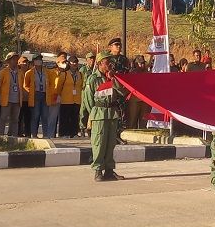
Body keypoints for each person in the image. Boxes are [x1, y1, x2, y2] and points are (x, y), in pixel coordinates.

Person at [80, 52, 127, 181]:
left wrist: (113, 79)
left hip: (112, 113)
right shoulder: (93, 79)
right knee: (99, 143)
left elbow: (122, 92)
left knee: (111, 143)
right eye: (107, 62)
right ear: (100, 63)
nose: (110, 64)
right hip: (99, 113)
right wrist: (91, 115)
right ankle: (98, 170)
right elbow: (88, 100)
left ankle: (109, 170)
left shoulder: (112, 77)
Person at [23, 54, 52, 138]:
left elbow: (51, 83)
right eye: (37, 59)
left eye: (40, 59)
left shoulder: (47, 71)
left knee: (45, 116)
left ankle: (46, 135)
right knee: (35, 116)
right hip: (35, 95)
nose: (39, 61)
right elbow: (25, 85)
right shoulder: (29, 73)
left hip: (45, 95)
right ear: (33, 61)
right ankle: (34, 134)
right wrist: (31, 92)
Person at [0, 52, 24, 136]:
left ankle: (13, 136)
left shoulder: (20, 73)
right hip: (6, 99)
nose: (15, 61)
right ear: (9, 61)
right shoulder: (3, 72)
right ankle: (0, 136)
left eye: (16, 59)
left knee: (15, 119)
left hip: (17, 100)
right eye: (13, 59)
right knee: (3, 118)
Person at [57, 55, 83, 138]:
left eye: (76, 62)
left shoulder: (80, 74)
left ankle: (74, 133)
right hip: (66, 99)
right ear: (69, 63)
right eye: (72, 62)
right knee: (65, 117)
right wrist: (58, 96)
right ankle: (64, 133)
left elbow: (82, 86)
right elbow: (59, 86)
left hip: (77, 100)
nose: (74, 64)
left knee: (75, 117)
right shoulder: (64, 74)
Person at [126, 55, 152, 129]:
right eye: (140, 63)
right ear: (136, 64)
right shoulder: (132, 73)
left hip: (145, 100)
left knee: (143, 121)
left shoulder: (147, 73)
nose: (142, 65)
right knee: (132, 120)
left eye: (143, 63)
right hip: (135, 100)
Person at [17, 55, 31, 136]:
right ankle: (18, 133)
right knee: (18, 118)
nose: (25, 64)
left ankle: (28, 133)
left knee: (28, 117)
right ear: (19, 63)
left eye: (26, 62)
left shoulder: (30, 72)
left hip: (29, 99)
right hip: (19, 99)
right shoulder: (17, 73)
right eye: (23, 62)